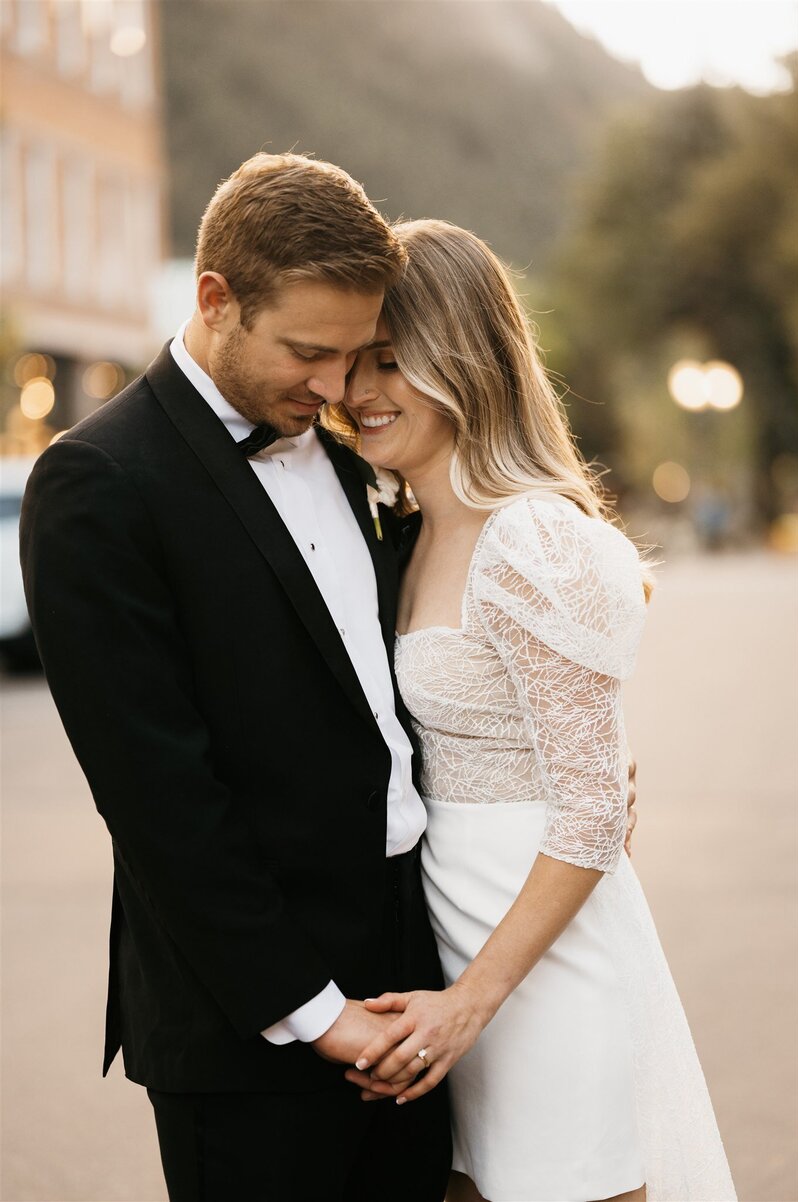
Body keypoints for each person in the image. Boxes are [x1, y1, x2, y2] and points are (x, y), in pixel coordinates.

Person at [20, 154, 455, 1202]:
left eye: (355, 356)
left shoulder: (357, 461)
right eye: (308, 351)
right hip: (248, 1019)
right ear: (215, 299)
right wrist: (314, 1009)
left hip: (416, 969)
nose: (335, 387)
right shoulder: (96, 484)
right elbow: (159, 796)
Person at [337, 219, 738, 1202]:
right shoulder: (401, 531)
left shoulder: (530, 540)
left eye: (391, 361)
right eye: (354, 362)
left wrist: (467, 1003)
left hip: (538, 981)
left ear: (462, 359)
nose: (358, 392)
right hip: (449, 960)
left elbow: (593, 808)